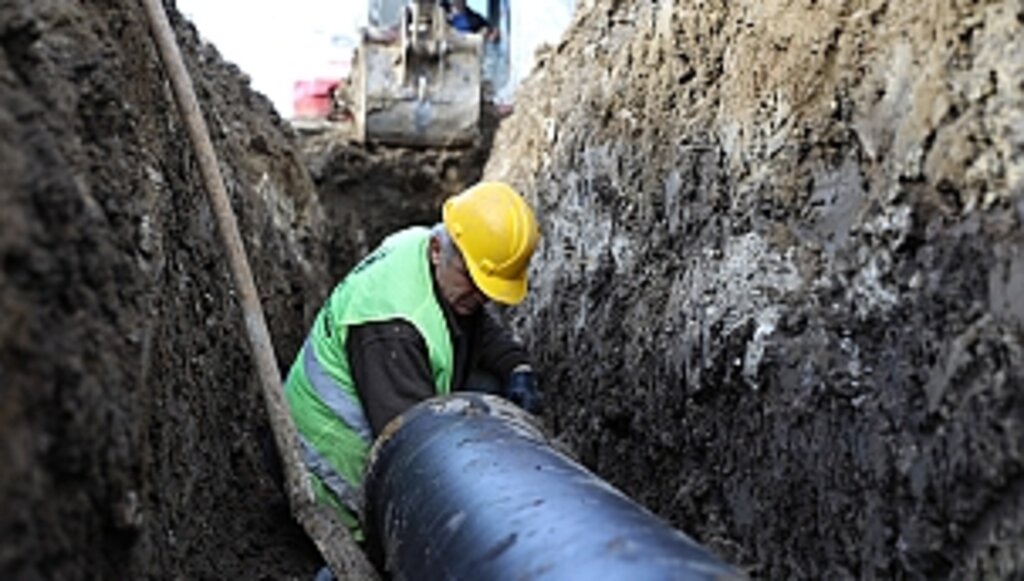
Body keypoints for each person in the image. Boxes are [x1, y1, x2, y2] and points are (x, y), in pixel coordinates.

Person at [284, 181, 542, 544]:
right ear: (438, 250)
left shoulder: (425, 251)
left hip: (384, 414)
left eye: (488, 290)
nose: (480, 297)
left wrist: (516, 368)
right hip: (331, 477)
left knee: (488, 385)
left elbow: (477, 326)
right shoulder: (393, 329)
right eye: (473, 281)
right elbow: (415, 449)